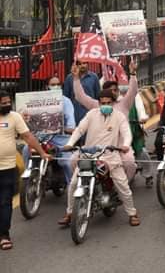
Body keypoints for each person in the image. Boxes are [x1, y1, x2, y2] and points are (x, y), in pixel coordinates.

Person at [58, 89, 140, 227]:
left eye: (108, 103)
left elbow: (126, 133)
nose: (105, 105)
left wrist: (125, 145)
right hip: (89, 155)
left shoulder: (119, 116)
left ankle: (132, 213)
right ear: (99, 103)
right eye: (103, 103)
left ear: (113, 103)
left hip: (110, 156)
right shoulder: (91, 114)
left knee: (123, 185)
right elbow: (79, 130)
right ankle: (70, 213)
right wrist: (70, 143)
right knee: (73, 184)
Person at [0, 90, 50, 250]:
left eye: (9, 102)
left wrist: (42, 153)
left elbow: (28, 137)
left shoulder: (15, 117)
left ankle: (4, 235)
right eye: (3, 103)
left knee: (5, 202)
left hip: (7, 167)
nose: (7, 105)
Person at [72, 61, 139, 179]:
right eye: (108, 90)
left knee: (129, 163)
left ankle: (124, 186)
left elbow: (132, 91)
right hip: (95, 147)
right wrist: (76, 78)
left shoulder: (123, 104)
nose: (112, 93)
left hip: (118, 148)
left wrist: (133, 74)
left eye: (114, 90)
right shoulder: (95, 105)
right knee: (72, 160)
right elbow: (80, 96)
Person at [21, 76, 76, 184]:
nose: (56, 87)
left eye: (58, 84)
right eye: (53, 85)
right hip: (41, 139)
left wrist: (61, 127)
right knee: (26, 151)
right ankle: (29, 180)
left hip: (60, 140)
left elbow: (71, 125)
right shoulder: (38, 101)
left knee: (67, 163)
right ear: (47, 87)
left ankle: (71, 188)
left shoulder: (66, 101)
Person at [63, 60, 100, 124]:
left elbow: (98, 96)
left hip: (90, 113)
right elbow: (66, 97)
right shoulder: (70, 78)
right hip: (75, 114)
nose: (82, 65)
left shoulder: (94, 77)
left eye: (84, 63)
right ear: (76, 65)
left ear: (87, 64)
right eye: (79, 64)